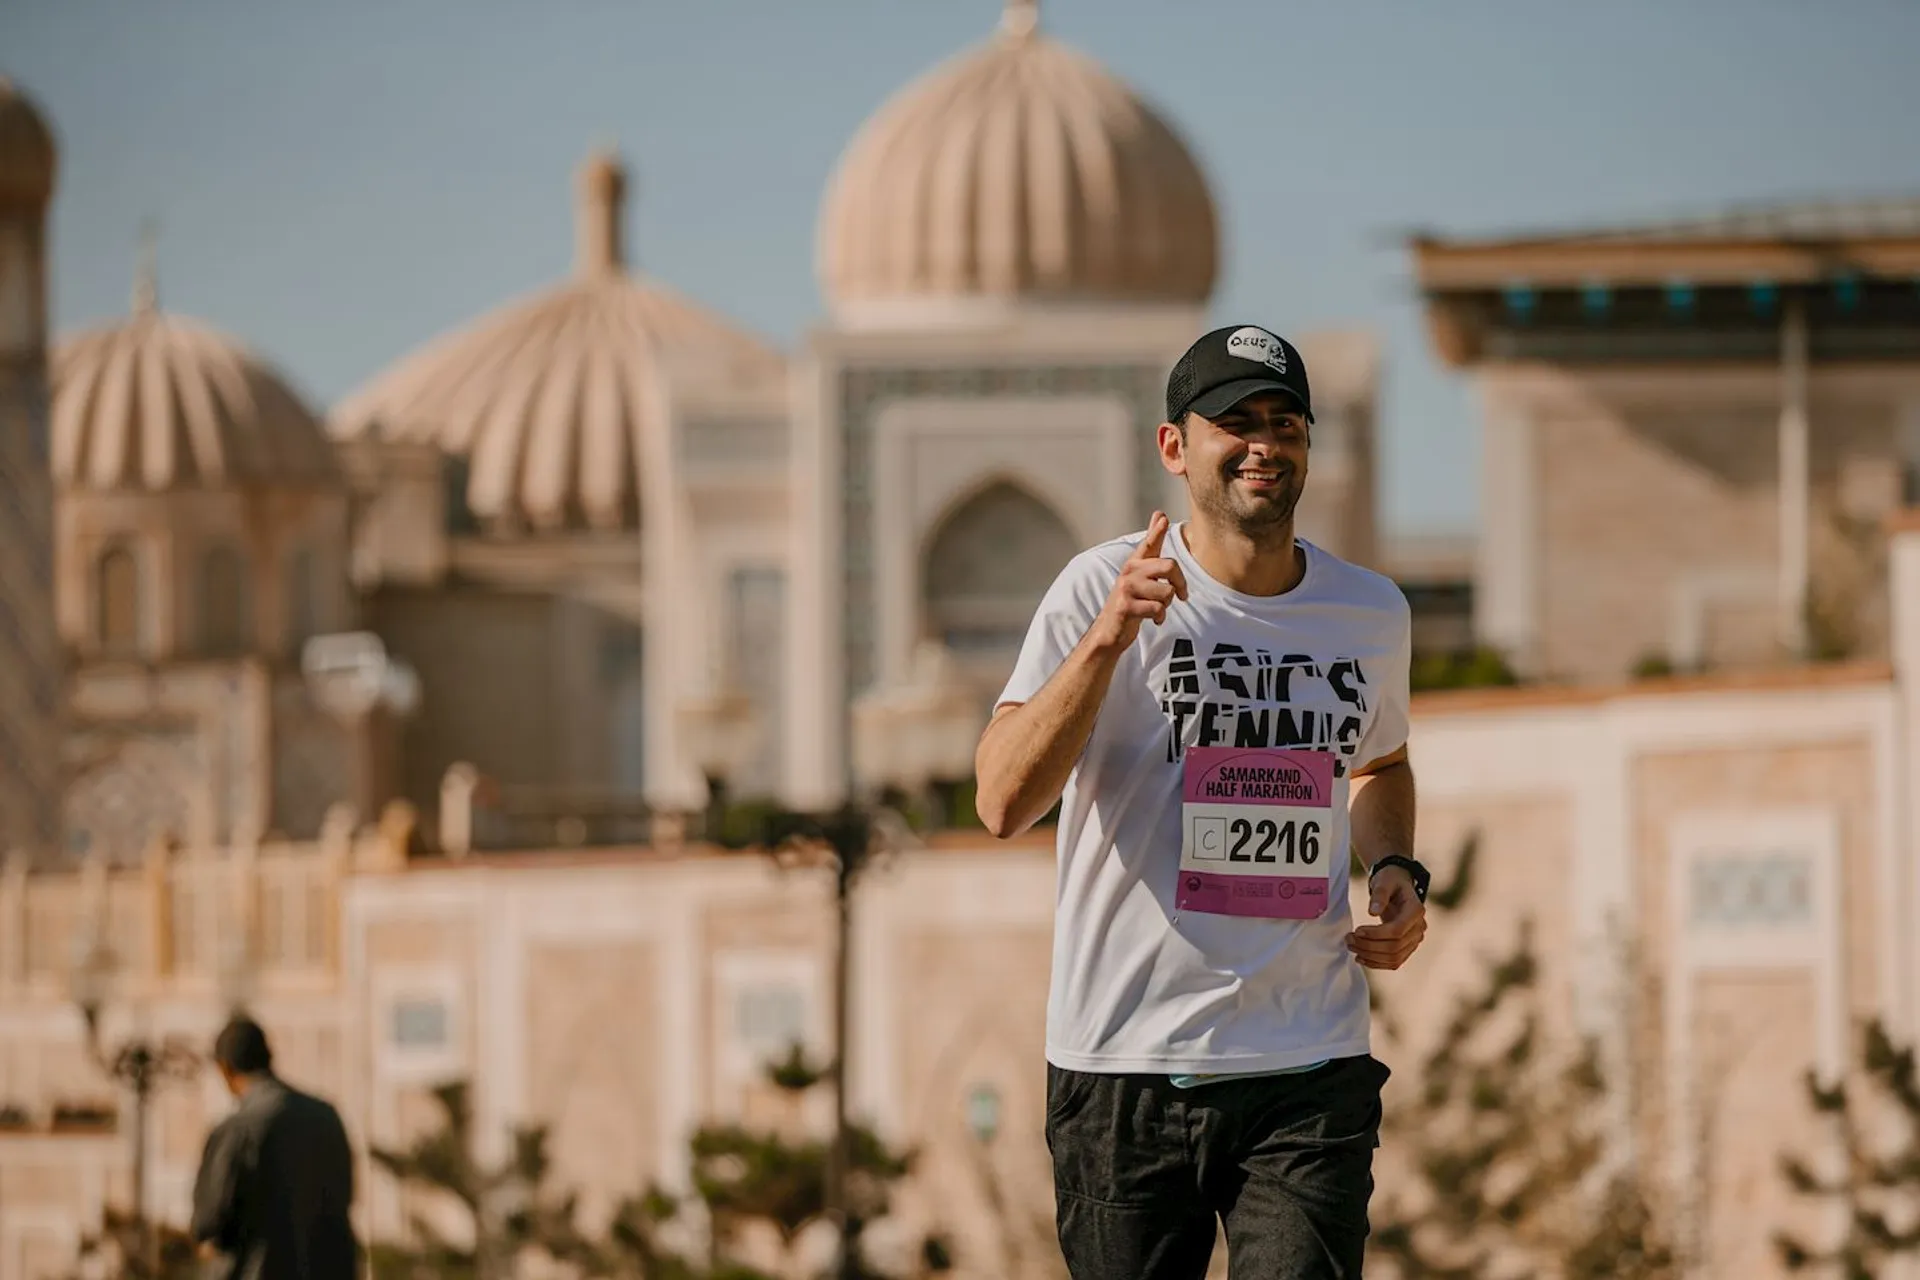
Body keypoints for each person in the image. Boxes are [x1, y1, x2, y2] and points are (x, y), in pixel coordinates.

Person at [974, 324, 1431, 1278]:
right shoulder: (1099, 589)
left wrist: (1393, 868)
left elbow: (1379, 765)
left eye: (1286, 422)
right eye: (1236, 422)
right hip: (1125, 1066)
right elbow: (1002, 800)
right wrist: (1106, 640)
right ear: (1175, 447)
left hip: (1307, 1063)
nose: (1264, 443)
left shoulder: (1369, 612)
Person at [190, 1014, 360, 1280]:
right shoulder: (327, 1117)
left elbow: (207, 1221)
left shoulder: (238, 1130)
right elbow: (347, 1196)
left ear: (225, 1069)